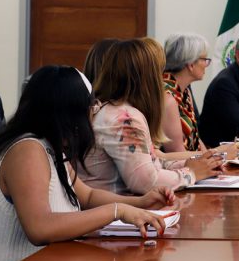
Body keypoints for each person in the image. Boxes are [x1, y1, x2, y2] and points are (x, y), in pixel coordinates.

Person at [0, 65, 175, 261]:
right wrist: (116, 211)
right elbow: (39, 228)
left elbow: (88, 196)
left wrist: (141, 204)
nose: (94, 112)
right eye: (92, 105)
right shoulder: (27, 151)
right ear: (71, 112)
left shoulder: (49, 146)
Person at [79, 38, 223, 194]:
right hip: (116, 207)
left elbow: (151, 163)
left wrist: (197, 165)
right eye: (158, 73)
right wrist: (191, 173)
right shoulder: (124, 119)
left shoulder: (113, 109)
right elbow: (145, 182)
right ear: (148, 78)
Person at [161, 33, 212, 153]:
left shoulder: (185, 91)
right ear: (191, 64)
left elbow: (195, 138)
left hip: (191, 161)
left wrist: (212, 158)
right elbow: (175, 151)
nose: (206, 65)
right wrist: (214, 155)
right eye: (204, 59)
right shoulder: (167, 96)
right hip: (175, 163)